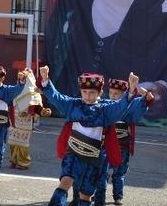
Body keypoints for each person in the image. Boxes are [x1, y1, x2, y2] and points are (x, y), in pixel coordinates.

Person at [39, 66, 143, 206]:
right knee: (65, 182)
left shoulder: (105, 109)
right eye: (84, 92)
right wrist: (45, 80)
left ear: (99, 92)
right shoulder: (73, 105)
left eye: (92, 92)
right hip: (73, 154)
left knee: (86, 195)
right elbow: (57, 97)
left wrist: (131, 90)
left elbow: (121, 106)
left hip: (93, 158)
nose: (87, 96)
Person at [93, 79, 154, 206]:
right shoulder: (105, 105)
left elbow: (148, 100)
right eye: (111, 92)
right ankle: (98, 197)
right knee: (101, 173)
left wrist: (145, 93)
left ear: (124, 94)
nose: (113, 95)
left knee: (118, 173)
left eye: (117, 93)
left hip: (122, 147)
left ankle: (118, 197)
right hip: (105, 147)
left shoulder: (130, 106)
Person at [7, 69, 51, 171]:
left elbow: (37, 108)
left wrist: (43, 111)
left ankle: (23, 162)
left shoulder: (34, 94)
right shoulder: (15, 91)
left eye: (23, 79)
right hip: (14, 121)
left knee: (23, 145)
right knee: (12, 142)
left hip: (25, 124)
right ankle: (14, 160)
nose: (21, 81)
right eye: (20, 79)